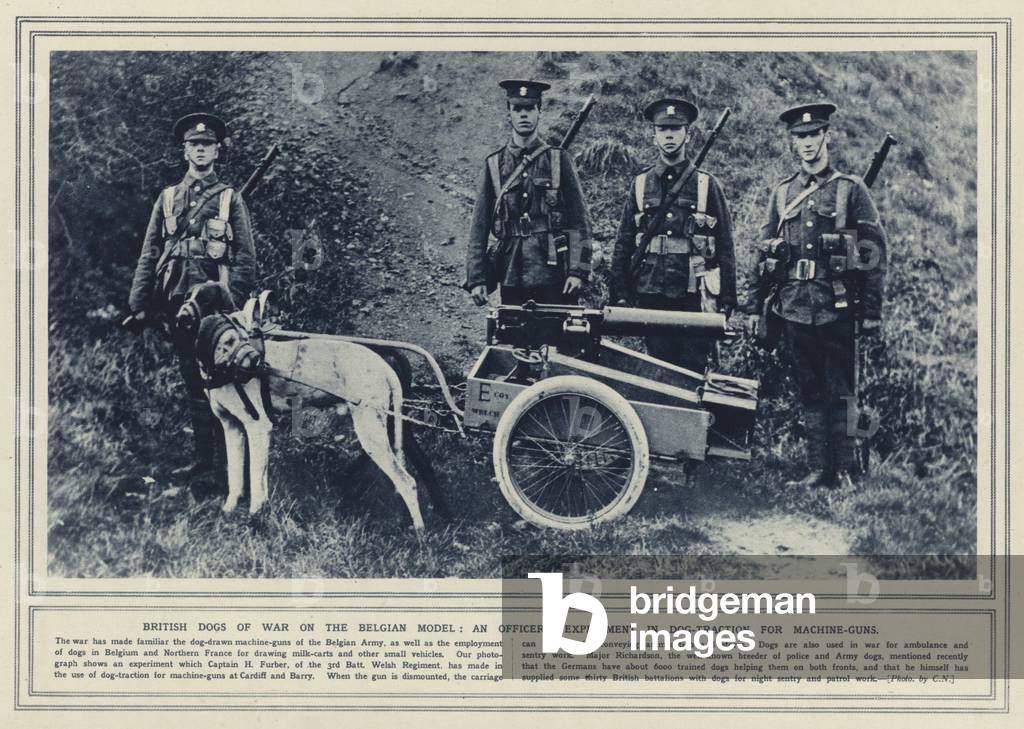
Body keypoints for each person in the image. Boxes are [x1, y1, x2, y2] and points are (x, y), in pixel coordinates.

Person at [741, 102, 887, 489]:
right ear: (793, 143)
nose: (807, 144)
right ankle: (817, 469)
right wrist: (754, 306)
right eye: (799, 137)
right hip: (794, 308)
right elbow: (764, 251)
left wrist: (871, 312)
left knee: (842, 390)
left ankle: (844, 470)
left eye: (813, 135)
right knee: (808, 389)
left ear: (827, 136)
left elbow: (872, 252)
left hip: (836, 305)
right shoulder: (783, 194)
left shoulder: (849, 190)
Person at [123, 112, 257, 486]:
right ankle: (205, 466)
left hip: (215, 310)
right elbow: (150, 253)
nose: (200, 150)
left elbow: (245, 258)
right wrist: (139, 305)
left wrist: (232, 304)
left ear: (217, 151)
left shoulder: (230, 198)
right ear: (185, 151)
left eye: (207, 144)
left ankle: (230, 471)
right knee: (195, 387)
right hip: (177, 304)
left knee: (224, 384)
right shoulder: (168, 198)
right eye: (194, 145)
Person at [609, 97, 736, 372]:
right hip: (651, 290)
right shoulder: (641, 184)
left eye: (676, 129)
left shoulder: (705, 184)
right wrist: (620, 292)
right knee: (657, 369)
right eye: (662, 129)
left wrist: (727, 298)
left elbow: (725, 244)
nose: (669, 135)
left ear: (687, 134)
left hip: (693, 294)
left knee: (693, 370)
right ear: (653, 135)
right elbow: (624, 240)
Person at [465, 79, 594, 306]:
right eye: (517, 109)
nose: (524, 115)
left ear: (539, 112)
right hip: (512, 273)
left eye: (530, 108)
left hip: (554, 273)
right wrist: (477, 279)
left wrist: (578, 271)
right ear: (509, 114)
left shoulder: (558, 159)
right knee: (513, 339)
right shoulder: (495, 165)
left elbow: (580, 220)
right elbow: (479, 227)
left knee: (558, 339)